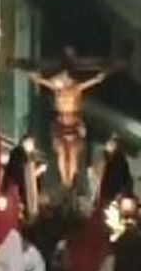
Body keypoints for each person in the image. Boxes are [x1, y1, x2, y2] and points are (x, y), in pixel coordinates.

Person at [28, 52, 112, 188]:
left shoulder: (75, 88)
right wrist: (36, 78)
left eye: (66, 77)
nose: (65, 80)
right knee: (62, 151)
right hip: (61, 122)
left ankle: (70, 177)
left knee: (72, 152)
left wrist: (98, 78)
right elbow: (45, 82)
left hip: (73, 122)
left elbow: (88, 84)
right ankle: (65, 179)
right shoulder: (58, 88)